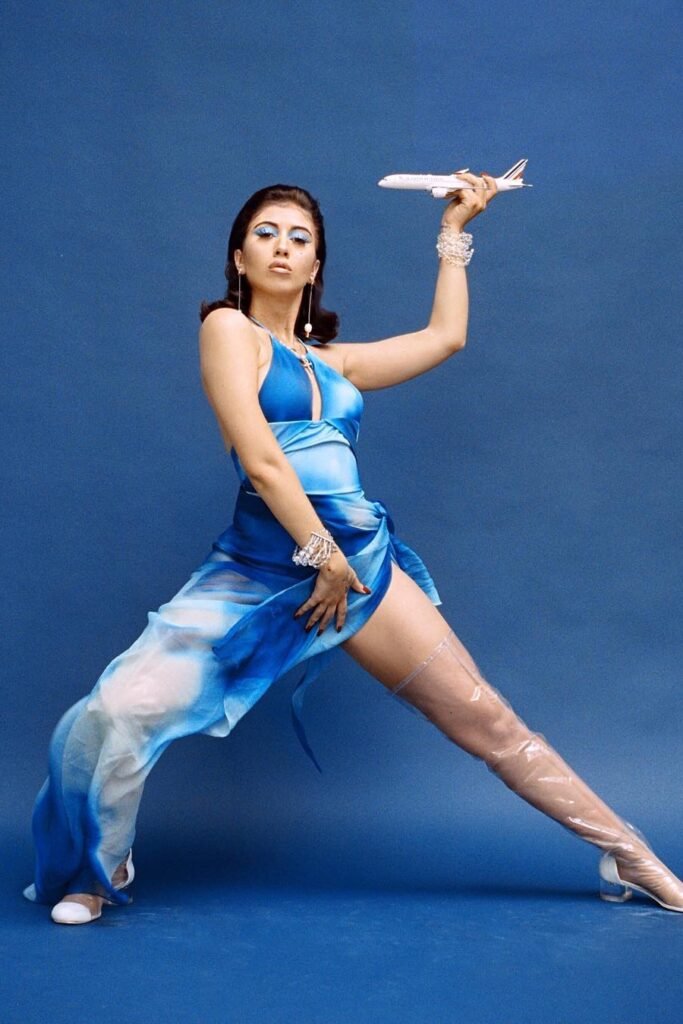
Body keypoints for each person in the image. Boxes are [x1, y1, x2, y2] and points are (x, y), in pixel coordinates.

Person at [24, 175, 683, 926]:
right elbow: (263, 458)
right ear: (238, 257)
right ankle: (93, 867)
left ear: (314, 268)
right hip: (260, 566)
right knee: (118, 707)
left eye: (299, 239)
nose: (282, 246)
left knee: (489, 722)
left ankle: (629, 854)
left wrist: (454, 231)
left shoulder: (333, 364)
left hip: (360, 562)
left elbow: (446, 338)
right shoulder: (225, 332)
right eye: (266, 233)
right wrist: (317, 553)